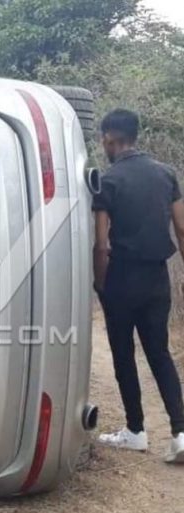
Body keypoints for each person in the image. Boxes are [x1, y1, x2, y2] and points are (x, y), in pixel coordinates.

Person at [93, 109, 184, 463]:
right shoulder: (166, 174)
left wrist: (101, 284)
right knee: (160, 353)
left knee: (123, 353)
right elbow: (181, 227)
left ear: (109, 138)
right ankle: (180, 433)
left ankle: (135, 430)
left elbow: (102, 244)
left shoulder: (108, 180)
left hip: (122, 278)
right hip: (157, 277)